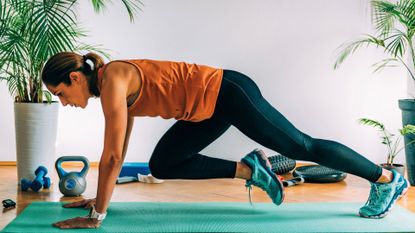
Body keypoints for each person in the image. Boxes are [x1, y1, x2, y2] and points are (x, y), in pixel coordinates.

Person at [41, 52, 409, 229]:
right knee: (163, 163)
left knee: (301, 146)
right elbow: (119, 147)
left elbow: (112, 156)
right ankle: (251, 170)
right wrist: (99, 199)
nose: (64, 102)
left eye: (60, 93)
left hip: (228, 92)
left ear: (75, 77)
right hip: (205, 109)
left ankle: (388, 180)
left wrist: (97, 216)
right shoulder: (110, 83)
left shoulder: (112, 80)